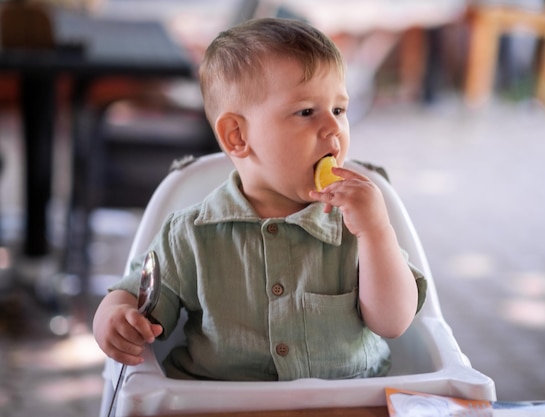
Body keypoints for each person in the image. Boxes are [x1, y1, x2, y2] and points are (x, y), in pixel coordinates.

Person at [93, 17, 426, 381]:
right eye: (306, 112)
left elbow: (394, 322)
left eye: (339, 110)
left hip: (345, 402)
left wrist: (376, 232)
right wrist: (115, 318)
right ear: (236, 136)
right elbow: (134, 298)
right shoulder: (190, 235)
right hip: (223, 405)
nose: (333, 128)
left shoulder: (358, 223)